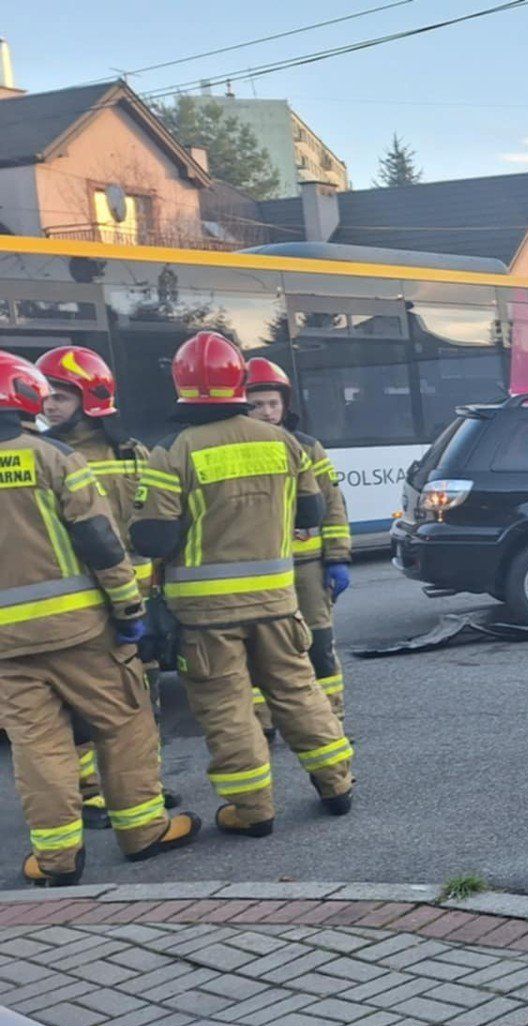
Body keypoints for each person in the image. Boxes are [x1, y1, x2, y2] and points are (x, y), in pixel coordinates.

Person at [131, 332, 355, 838]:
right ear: (238, 383)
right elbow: (312, 512)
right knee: (298, 691)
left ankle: (253, 811)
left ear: (182, 384)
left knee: (228, 708)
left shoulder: (174, 450)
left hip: (205, 616)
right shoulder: (283, 442)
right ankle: (336, 783)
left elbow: (151, 536)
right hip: (278, 602)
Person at [0, 351, 199, 885]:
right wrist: (129, 608)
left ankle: (57, 862)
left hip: (6, 650)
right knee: (125, 725)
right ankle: (142, 833)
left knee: (37, 746)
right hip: (82, 632)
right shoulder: (54, 457)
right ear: (25, 396)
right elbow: (99, 541)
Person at [35, 346, 173, 829]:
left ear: (91, 396)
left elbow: (153, 522)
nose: (50, 405)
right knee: (85, 707)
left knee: (141, 699)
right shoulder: (49, 456)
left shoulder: (133, 453)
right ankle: (91, 791)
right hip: (90, 604)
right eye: (47, 395)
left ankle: (143, 785)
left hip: (140, 599)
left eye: (61, 395)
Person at [244, 359, 350, 734]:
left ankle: (331, 718)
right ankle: (263, 724)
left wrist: (336, 557)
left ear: (285, 404)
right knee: (260, 651)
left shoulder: (308, 447)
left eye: (273, 403)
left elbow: (333, 504)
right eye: (256, 404)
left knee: (319, 643)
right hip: (259, 570)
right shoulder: (239, 451)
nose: (267, 412)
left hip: (307, 566)